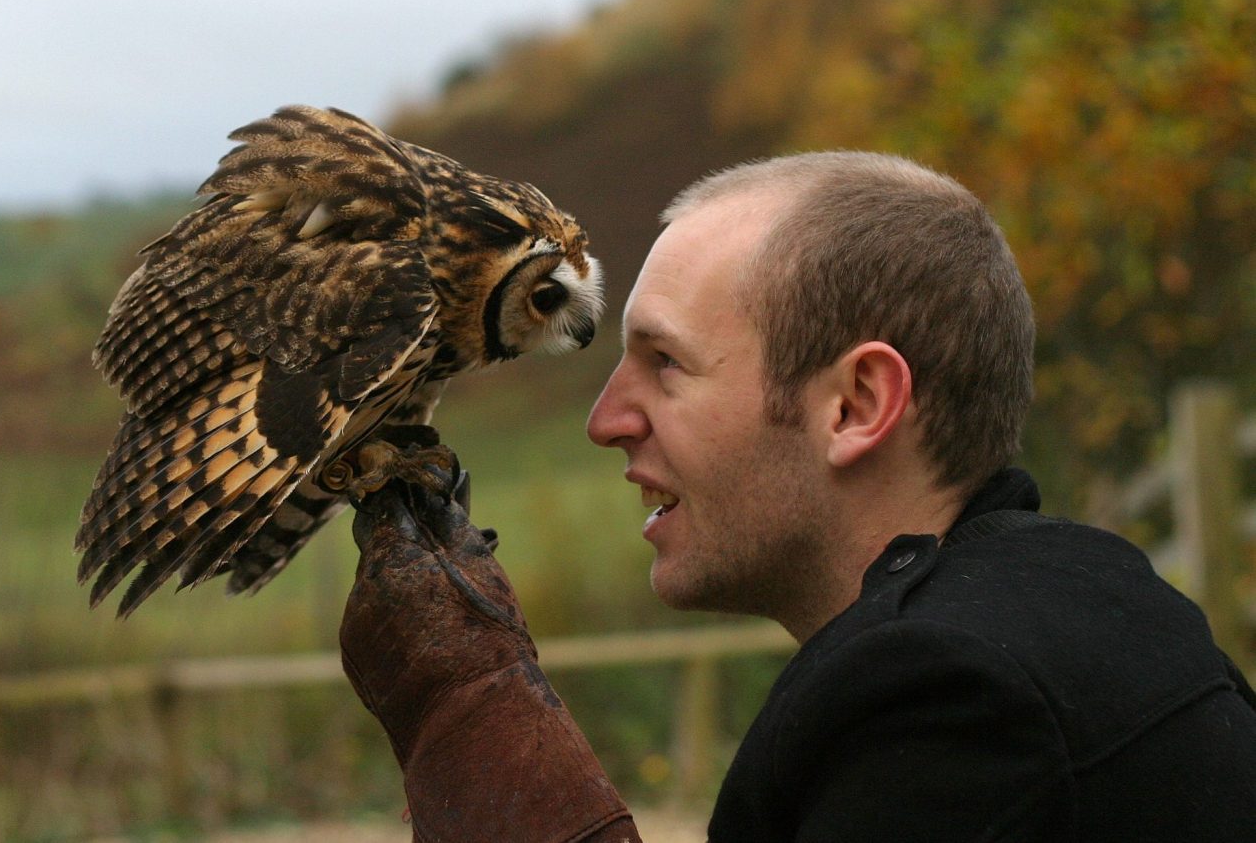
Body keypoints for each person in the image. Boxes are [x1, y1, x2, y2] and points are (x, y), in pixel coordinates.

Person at [340, 152, 1256, 842]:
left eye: (666, 363)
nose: (606, 418)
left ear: (856, 405)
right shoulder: (1101, 602)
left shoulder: (952, 699)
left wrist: (471, 712)